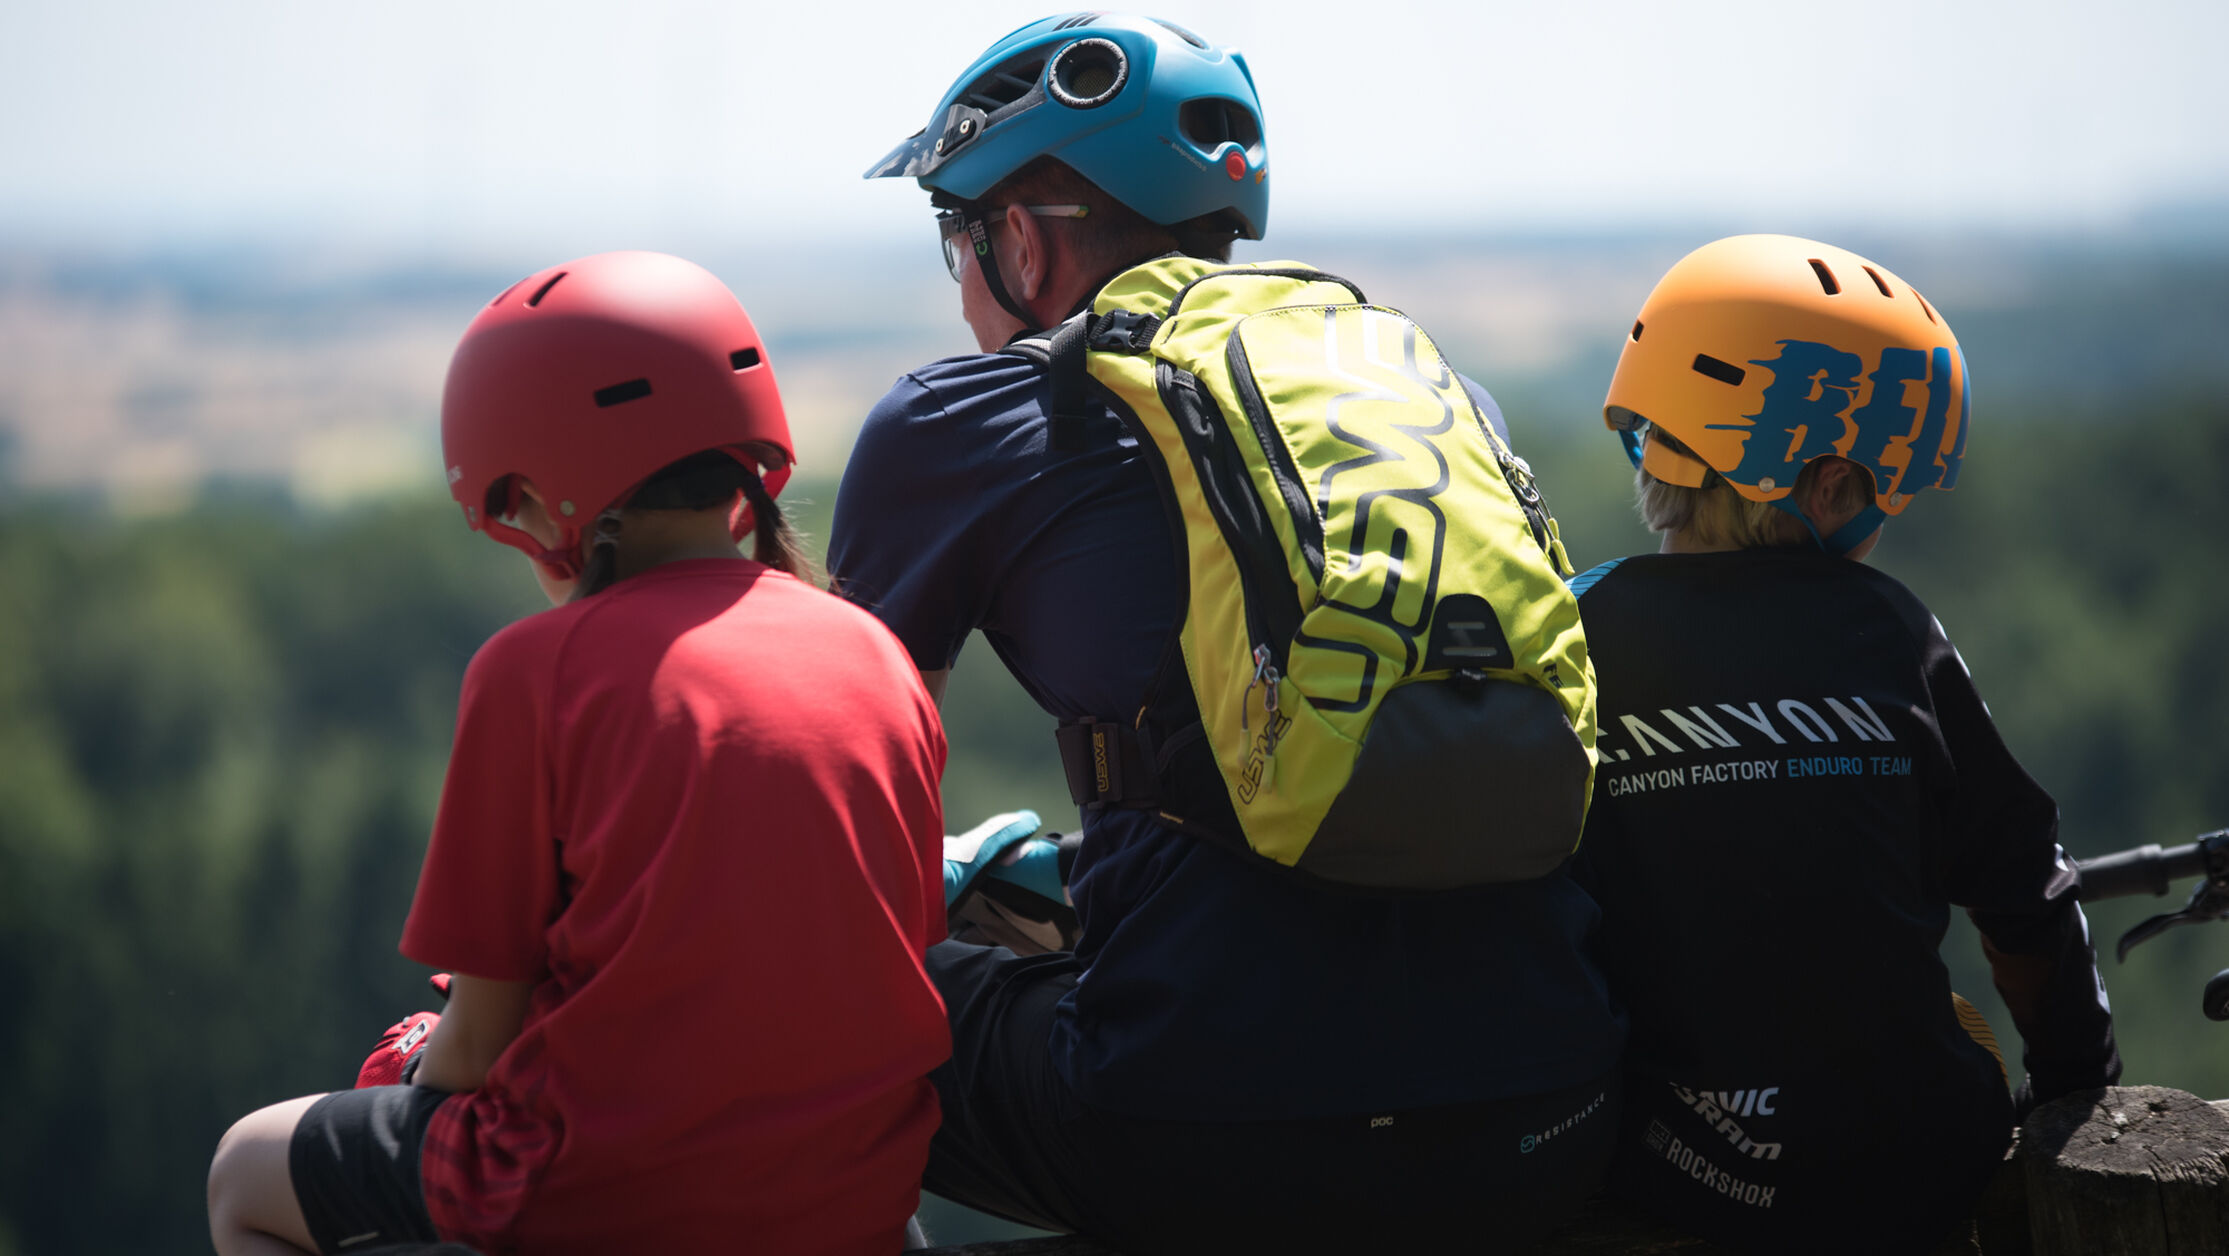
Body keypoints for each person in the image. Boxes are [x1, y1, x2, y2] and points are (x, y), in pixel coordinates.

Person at [833, 14, 1622, 1251]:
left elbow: (817, 784)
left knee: (818, 1008)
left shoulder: (965, 419)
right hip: (1549, 1115)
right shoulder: (1433, 396)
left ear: (1023, 241)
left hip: (1208, 1140)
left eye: (958, 240)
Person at [206, 250, 951, 1256]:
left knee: (247, 1166)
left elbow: (471, 1050)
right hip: (853, 1198)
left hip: (599, 1191)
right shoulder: (874, 652)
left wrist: (421, 1069)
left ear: (557, 494)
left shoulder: (535, 670)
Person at [1568, 234, 2121, 1254]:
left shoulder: (1572, 633)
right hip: (1907, 1179)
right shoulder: (1891, 631)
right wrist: (2078, 1091)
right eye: (1881, 487)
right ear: (1824, 486)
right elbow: (2028, 897)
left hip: (1665, 1177)